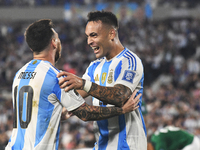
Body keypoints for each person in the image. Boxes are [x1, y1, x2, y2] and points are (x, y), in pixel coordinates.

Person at [5, 19, 141, 150]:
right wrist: (121, 110)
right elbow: (85, 113)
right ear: (54, 42)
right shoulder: (56, 77)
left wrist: (58, 113)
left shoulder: (19, 74)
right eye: (58, 39)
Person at [57, 10, 147, 150]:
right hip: (101, 145)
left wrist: (83, 83)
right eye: (87, 36)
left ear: (111, 34)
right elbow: (76, 95)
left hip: (127, 145)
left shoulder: (130, 61)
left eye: (93, 35)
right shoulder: (95, 66)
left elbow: (119, 96)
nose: (89, 42)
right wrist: (63, 109)